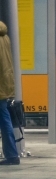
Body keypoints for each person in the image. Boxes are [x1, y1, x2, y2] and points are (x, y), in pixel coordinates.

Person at [0, 21, 19, 166]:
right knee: (4, 119)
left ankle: (12, 155)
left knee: (4, 119)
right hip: (4, 83)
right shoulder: (4, 35)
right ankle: (12, 155)